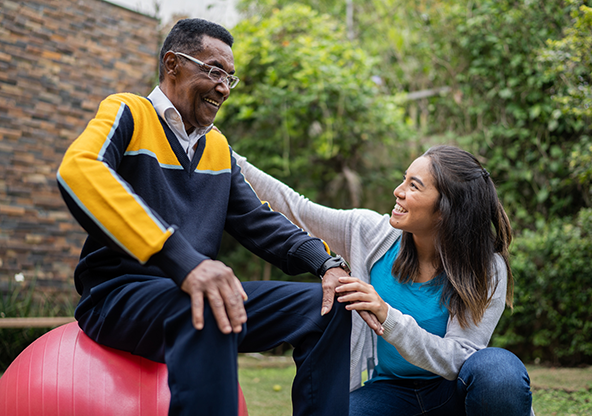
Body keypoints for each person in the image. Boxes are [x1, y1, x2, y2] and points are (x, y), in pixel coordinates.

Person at [56, 18, 354, 416]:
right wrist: (184, 261)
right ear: (172, 64)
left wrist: (325, 263)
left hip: (196, 298)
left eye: (230, 77)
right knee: (210, 299)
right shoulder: (128, 111)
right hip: (118, 297)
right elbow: (79, 170)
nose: (224, 87)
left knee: (331, 306)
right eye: (214, 71)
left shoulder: (217, 147)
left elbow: (259, 221)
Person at [234, 145, 535, 415]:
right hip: (390, 392)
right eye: (404, 179)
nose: (398, 191)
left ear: (446, 210)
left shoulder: (486, 267)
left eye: (414, 186)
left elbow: (459, 358)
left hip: (452, 393)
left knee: (498, 371)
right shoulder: (370, 233)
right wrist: (229, 158)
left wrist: (388, 317)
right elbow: (297, 209)